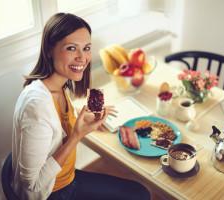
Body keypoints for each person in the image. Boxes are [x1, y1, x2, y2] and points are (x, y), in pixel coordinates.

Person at [12, 12, 150, 200]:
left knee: (139, 193)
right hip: (53, 192)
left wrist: (82, 120)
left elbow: (55, 125)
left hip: (69, 178)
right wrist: (77, 135)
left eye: (86, 48)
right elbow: (32, 183)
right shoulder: (36, 106)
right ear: (50, 49)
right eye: (71, 48)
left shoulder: (59, 86)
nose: (82, 57)